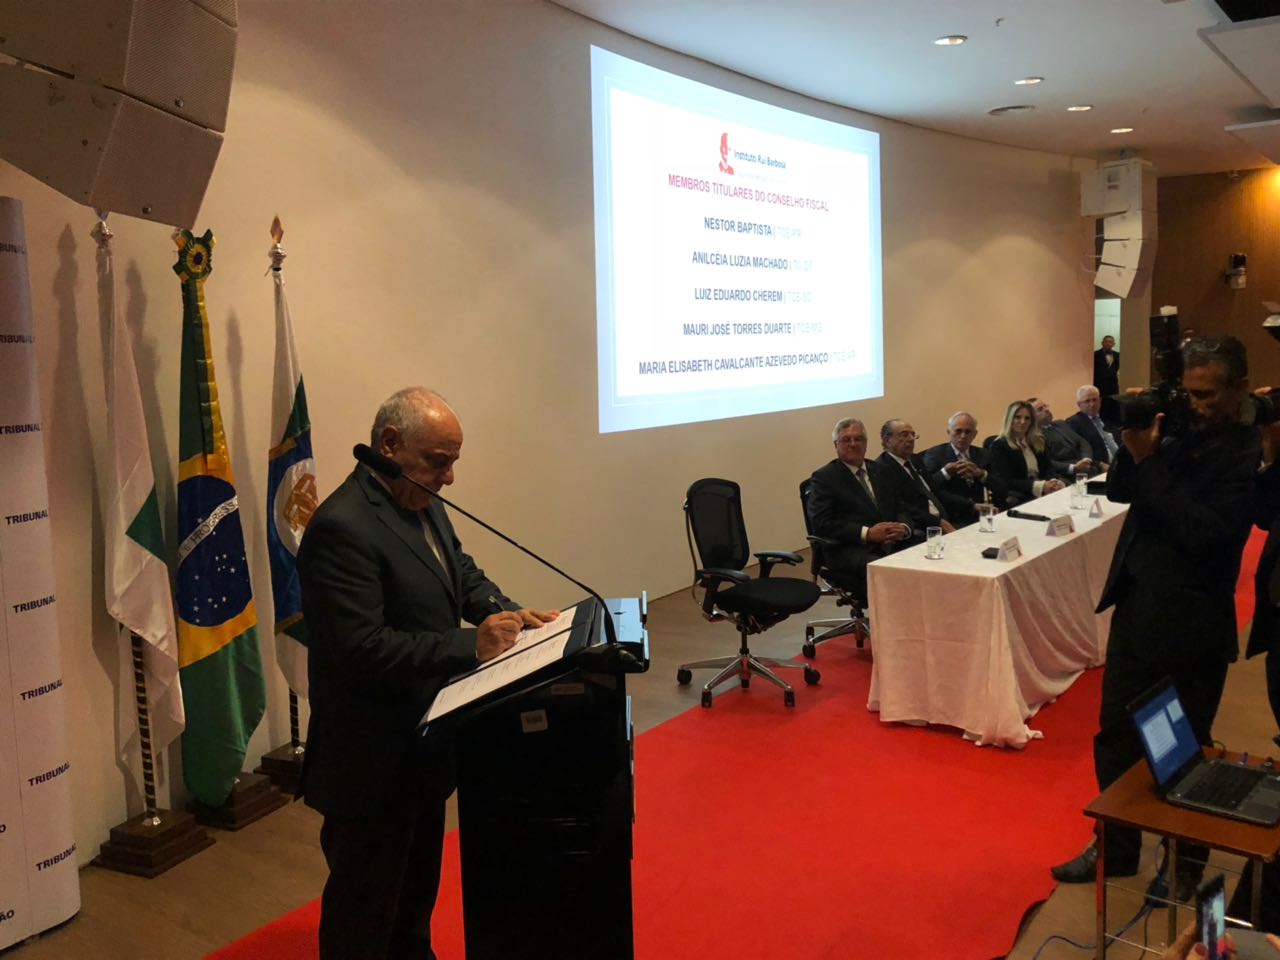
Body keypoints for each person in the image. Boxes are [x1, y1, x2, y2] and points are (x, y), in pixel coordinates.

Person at [297, 387, 558, 960]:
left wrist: (507, 614)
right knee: (365, 907)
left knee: (414, 899)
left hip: (424, 741)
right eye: (439, 462)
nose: (449, 478)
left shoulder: (421, 500)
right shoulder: (342, 527)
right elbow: (359, 649)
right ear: (389, 444)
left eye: (453, 462)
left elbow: (460, 573)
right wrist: (471, 645)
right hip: (370, 758)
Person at [1051, 336, 1259, 900]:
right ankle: (1116, 846)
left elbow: (1204, 531)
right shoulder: (1175, 429)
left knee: (1185, 747)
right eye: (1189, 393)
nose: (1196, 405)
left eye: (1207, 395)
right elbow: (1123, 490)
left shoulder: (1244, 450)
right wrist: (1136, 446)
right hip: (1138, 607)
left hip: (1194, 620)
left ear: (1238, 389)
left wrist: (1151, 463)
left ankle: (1184, 862)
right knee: (1115, 735)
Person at [806, 417, 912, 601]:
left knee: (927, 553)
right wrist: (868, 533)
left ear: (866, 443)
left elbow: (902, 506)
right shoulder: (824, 478)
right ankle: (892, 616)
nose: (853, 444)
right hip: (849, 547)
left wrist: (904, 528)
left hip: (892, 540)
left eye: (858, 439)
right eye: (846, 440)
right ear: (836, 445)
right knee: (887, 570)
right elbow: (822, 523)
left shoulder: (881, 470)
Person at [920, 411, 1004, 527]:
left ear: (975, 434)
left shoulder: (983, 454)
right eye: (958, 431)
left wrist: (981, 474)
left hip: (982, 514)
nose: (963, 436)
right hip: (952, 516)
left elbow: (1002, 487)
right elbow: (928, 488)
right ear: (949, 432)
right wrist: (945, 472)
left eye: (968, 432)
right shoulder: (934, 455)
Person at [876, 419, 956, 538]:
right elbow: (902, 507)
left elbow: (935, 491)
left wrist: (972, 505)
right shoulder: (881, 468)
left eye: (913, 435)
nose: (911, 439)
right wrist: (938, 523)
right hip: (920, 529)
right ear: (887, 440)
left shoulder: (915, 459)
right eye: (904, 435)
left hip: (944, 519)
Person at [985, 400, 1066, 507]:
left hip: (1044, 490)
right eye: (1017, 417)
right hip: (1021, 494)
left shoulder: (1037, 440)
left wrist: (1053, 481)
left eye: (1027, 418)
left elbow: (1048, 467)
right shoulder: (999, 445)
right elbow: (1006, 480)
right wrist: (1040, 486)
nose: (1023, 422)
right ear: (1010, 419)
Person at [1029, 396, 1096, 478]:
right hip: (1064, 475)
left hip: (1087, 466)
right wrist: (1073, 468)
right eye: (1040, 409)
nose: (1046, 410)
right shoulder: (1035, 436)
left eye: (1045, 406)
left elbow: (1082, 442)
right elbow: (1048, 462)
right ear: (1032, 418)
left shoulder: (1060, 423)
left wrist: (1086, 459)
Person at [1067, 385, 1121, 469]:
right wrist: (1099, 464)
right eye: (1087, 401)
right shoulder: (1074, 423)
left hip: (1120, 463)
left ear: (1100, 401)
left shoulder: (1107, 418)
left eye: (1095, 400)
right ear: (1079, 404)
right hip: (1099, 467)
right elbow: (1077, 452)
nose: (1092, 404)